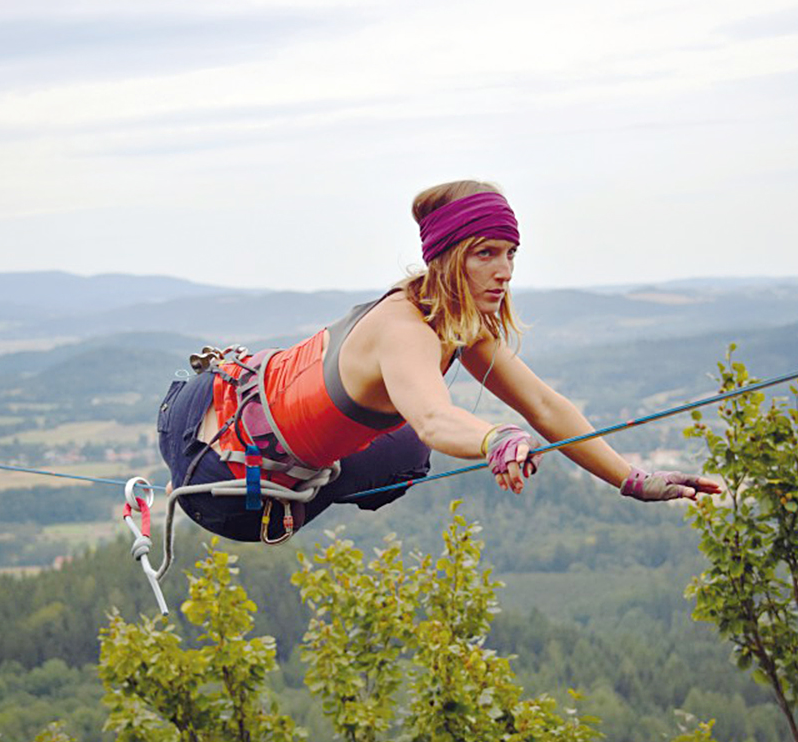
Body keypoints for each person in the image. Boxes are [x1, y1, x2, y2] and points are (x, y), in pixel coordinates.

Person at [156, 180, 721, 543]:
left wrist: (633, 480)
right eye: (486, 254)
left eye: (510, 254)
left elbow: (545, 405)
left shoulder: (457, 323)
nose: (505, 271)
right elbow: (433, 416)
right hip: (208, 459)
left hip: (258, 499)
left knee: (405, 454)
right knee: (412, 441)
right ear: (450, 258)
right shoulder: (404, 330)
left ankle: (312, 470)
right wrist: (496, 437)